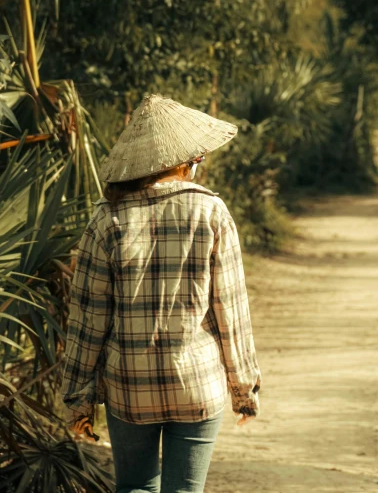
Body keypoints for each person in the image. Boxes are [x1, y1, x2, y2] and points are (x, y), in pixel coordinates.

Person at [59, 94, 262, 493]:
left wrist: (78, 399)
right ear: (187, 161)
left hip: (129, 386)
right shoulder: (212, 213)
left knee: (135, 487)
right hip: (196, 384)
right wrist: (244, 389)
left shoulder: (108, 217)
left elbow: (88, 319)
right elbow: (230, 312)